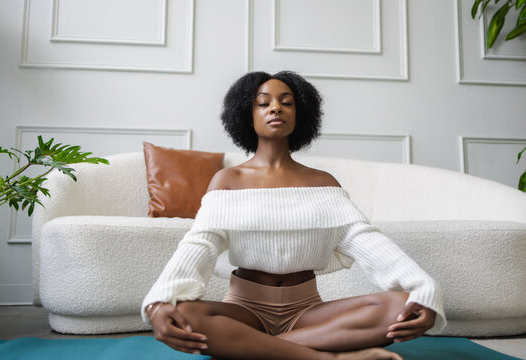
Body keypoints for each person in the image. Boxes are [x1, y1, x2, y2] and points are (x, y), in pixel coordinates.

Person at [141, 71, 446, 360]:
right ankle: (330, 356)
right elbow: (199, 245)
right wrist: (158, 303)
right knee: (184, 314)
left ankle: (249, 349)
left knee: (401, 306)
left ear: (300, 115)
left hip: (308, 313)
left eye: (287, 102)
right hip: (244, 310)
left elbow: (366, 241)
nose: (276, 108)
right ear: (248, 114)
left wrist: (424, 289)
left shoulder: (322, 183)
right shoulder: (228, 180)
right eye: (264, 103)